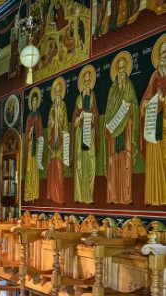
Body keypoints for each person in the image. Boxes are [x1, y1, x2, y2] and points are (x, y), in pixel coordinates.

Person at [105, 52, 139, 204]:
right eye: (119, 69)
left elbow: (135, 103)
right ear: (116, 71)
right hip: (114, 131)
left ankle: (126, 195)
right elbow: (109, 110)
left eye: (124, 68)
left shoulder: (129, 85)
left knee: (125, 160)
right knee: (113, 161)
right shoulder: (112, 89)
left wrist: (130, 107)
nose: (121, 71)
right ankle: (113, 196)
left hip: (126, 130)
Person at [140, 35, 166, 206]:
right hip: (154, 125)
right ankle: (155, 198)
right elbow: (145, 99)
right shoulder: (155, 75)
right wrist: (147, 104)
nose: (165, 56)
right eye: (162, 53)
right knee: (154, 161)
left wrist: (164, 101)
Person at [72, 66, 99, 204]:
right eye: (85, 81)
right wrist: (80, 117)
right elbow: (74, 120)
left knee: (91, 164)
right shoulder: (78, 98)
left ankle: (89, 196)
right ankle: (79, 196)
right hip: (80, 135)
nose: (87, 84)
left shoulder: (93, 96)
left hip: (90, 133)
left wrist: (91, 117)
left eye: (89, 81)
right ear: (82, 82)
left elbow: (96, 114)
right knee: (79, 165)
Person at [47, 77, 68, 204]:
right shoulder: (51, 107)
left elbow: (65, 123)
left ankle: (59, 196)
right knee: (52, 168)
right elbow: (49, 123)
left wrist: (59, 123)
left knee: (59, 167)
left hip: (60, 139)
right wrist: (52, 124)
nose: (58, 94)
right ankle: (51, 194)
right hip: (52, 140)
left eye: (60, 91)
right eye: (56, 91)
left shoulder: (63, 106)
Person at [24, 89, 44, 202]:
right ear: (31, 104)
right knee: (29, 169)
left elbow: (40, 130)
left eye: (36, 101)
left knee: (35, 170)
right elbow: (27, 132)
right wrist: (30, 133)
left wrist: (38, 136)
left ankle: (35, 193)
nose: (35, 103)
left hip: (36, 146)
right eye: (33, 102)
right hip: (31, 145)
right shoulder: (29, 116)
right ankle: (29, 192)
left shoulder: (39, 115)